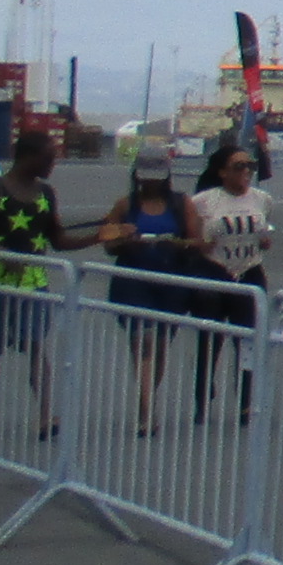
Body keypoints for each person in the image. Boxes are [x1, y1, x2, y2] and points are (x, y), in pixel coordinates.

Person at [0, 128, 101, 436]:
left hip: (34, 281)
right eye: (48, 158)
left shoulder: (46, 193)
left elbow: (57, 241)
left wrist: (99, 236)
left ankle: (45, 416)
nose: (52, 165)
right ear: (28, 157)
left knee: (35, 347)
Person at [94, 154, 207, 431]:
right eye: (145, 179)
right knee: (142, 341)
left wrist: (178, 243)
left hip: (171, 279)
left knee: (160, 345)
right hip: (134, 279)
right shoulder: (125, 205)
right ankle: (146, 411)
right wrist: (123, 237)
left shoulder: (182, 204)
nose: (150, 184)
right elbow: (106, 242)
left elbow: (197, 241)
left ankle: (149, 395)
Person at [186, 141, 272, 420]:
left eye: (250, 166)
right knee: (210, 337)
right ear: (222, 172)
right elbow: (194, 240)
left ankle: (246, 400)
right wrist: (201, 244)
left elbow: (264, 234)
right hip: (215, 271)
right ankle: (201, 395)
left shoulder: (261, 199)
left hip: (249, 271)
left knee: (247, 339)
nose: (246, 171)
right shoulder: (204, 201)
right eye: (239, 167)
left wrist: (264, 241)